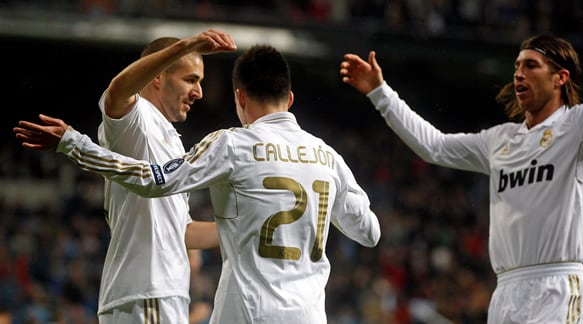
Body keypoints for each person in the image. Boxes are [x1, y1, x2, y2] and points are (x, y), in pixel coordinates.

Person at [14, 44, 381, 323]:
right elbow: (369, 232)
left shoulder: (231, 144)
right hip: (307, 314)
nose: (199, 92)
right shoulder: (328, 157)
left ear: (240, 97)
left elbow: (156, 185)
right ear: (290, 99)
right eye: (192, 80)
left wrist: (74, 145)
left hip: (245, 312)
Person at [339, 4, 583, 323]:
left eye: (531, 65)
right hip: (506, 293)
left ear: (560, 77)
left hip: (558, 287)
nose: (518, 73)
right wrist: (380, 93)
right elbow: (434, 146)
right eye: (517, 66)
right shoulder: (500, 140)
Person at [65, 29, 236, 323]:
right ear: (158, 77)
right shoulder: (137, 121)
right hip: (149, 290)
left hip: (157, 293)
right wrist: (187, 45)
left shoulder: (170, 138)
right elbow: (118, 89)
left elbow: (182, 232)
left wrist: (246, 225)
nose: (199, 93)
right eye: (191, 79)